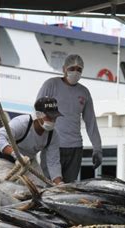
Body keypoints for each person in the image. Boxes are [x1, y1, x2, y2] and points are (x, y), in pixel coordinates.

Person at [36, 54, 102, 182]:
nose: (75, 72)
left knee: (68, 188)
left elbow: (91, 122)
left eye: (79, 69)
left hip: (75, 148)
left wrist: (97, 148)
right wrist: (40, 140)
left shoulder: (84, 92)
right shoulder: (51, 84)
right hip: (53, 145)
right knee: (48, 185)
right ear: (64, 69)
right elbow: (38, 110)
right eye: (72, 68)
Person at [0, 96, 63, 185]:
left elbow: (53, 162)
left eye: (54, 117)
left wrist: (59, 184)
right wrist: (16, 155)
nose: (52, 120)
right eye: (49, 117)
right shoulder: (21, 123)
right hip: (6, 161)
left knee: (40, 187)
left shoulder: (53, 135)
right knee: (6, 188)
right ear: (38, 114)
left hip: (30, 163)